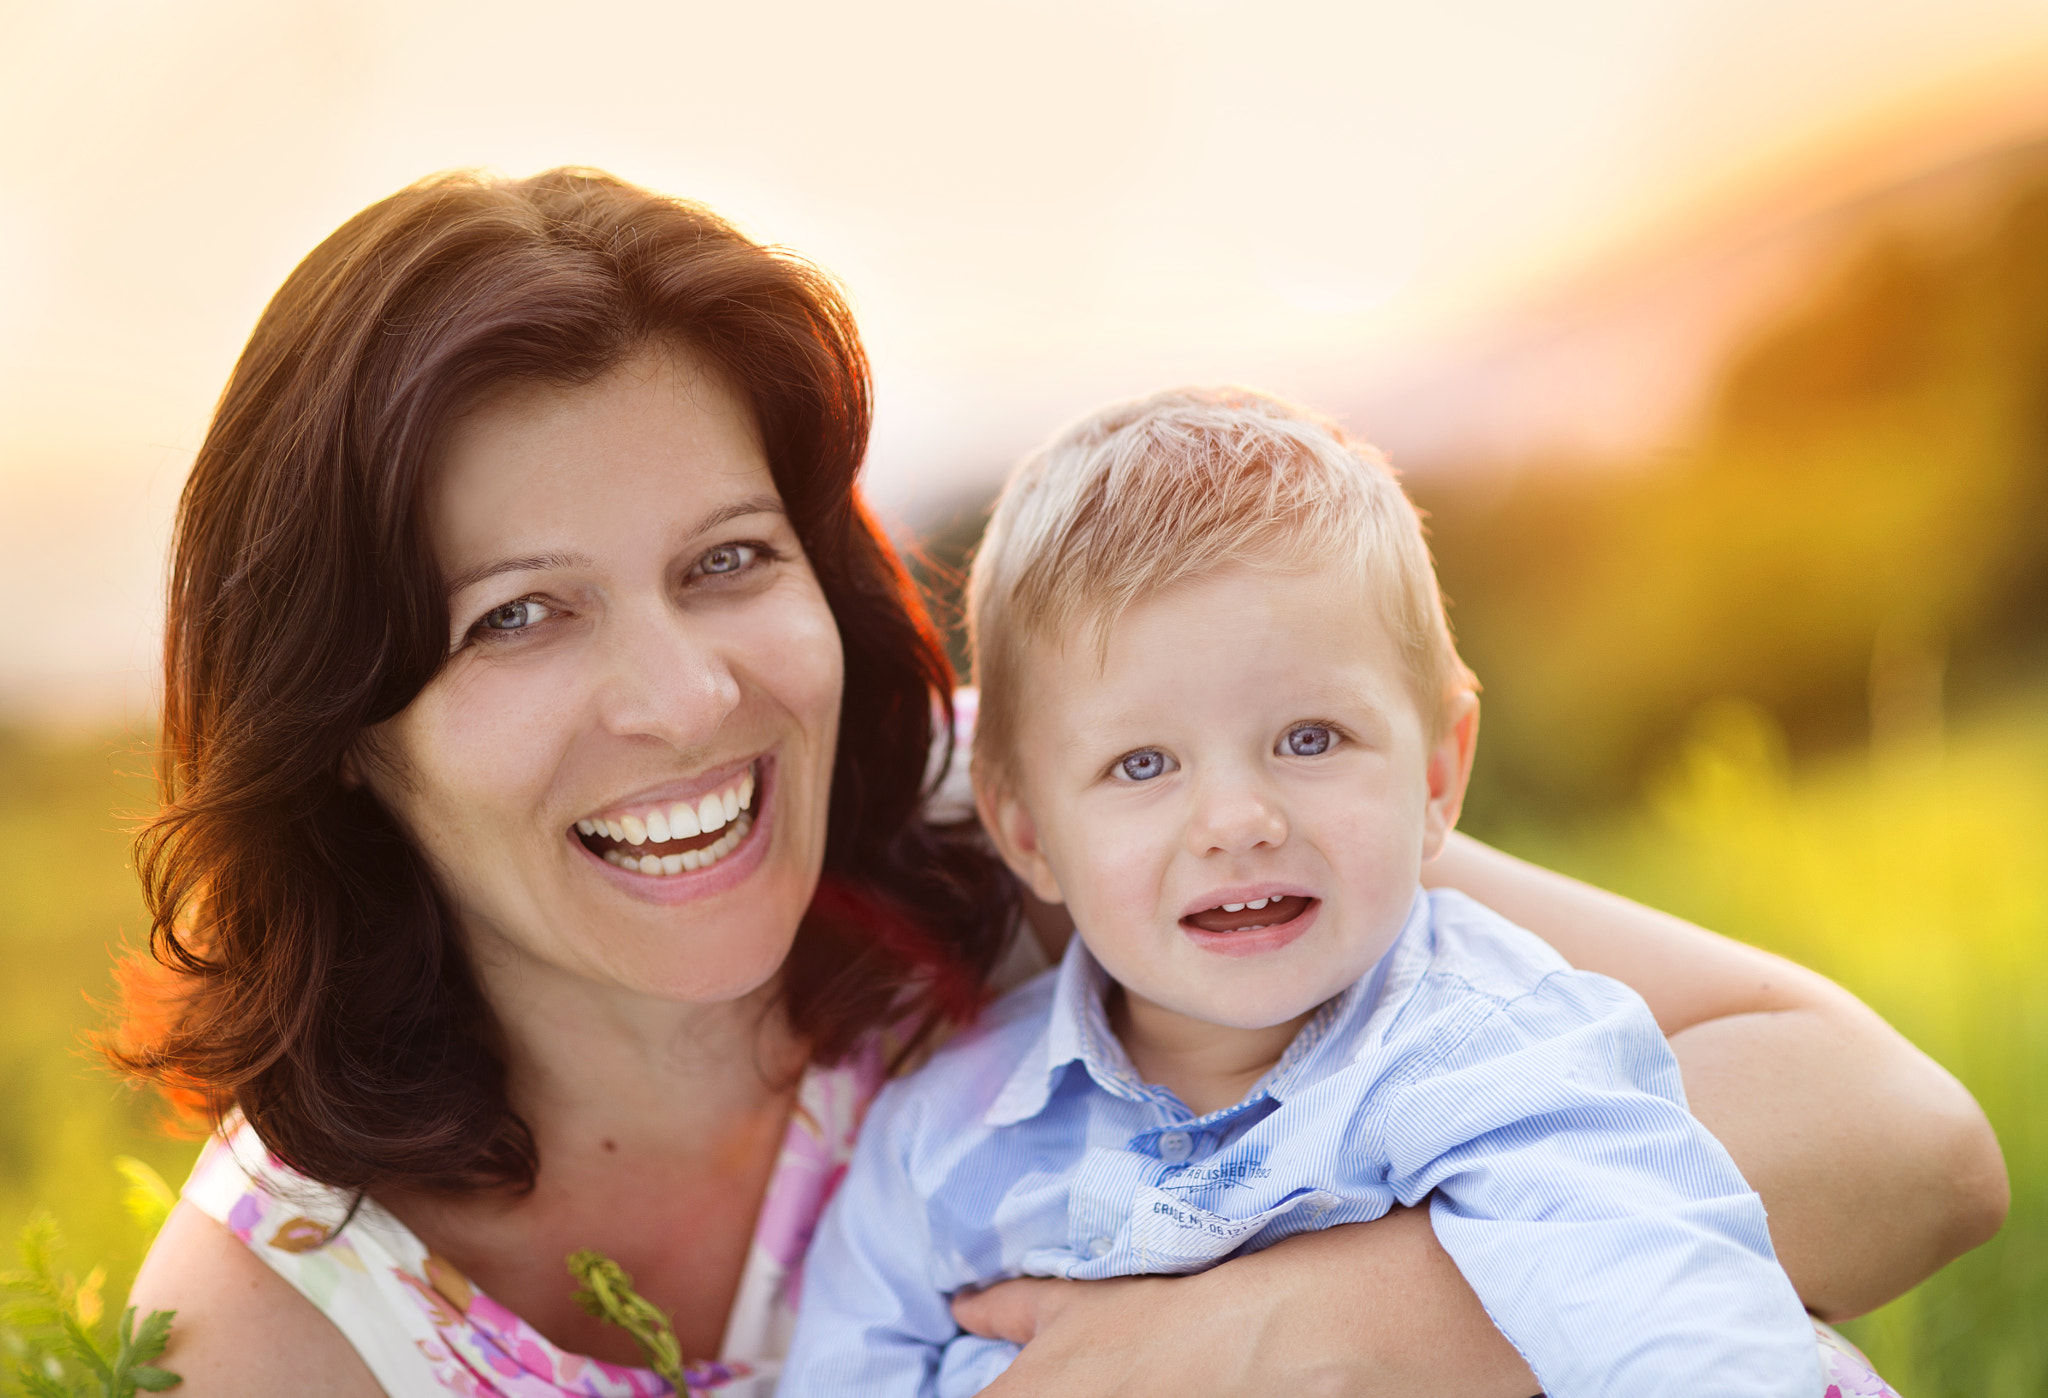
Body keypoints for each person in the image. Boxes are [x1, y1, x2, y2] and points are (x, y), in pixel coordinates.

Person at [116, 169, 2003, 1398]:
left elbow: (1900, 1141)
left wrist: (1267, 1339)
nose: (684, 696)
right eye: (519, 616)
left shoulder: (1034, 818)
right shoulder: (286, 1321)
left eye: (727, 560)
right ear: (349, 721)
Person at [779, 388, 1880, 1396]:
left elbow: (1664, 1307)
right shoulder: (940, 1138)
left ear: (1438, 773)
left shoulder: (1489, 1048)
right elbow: (845, 1371)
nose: (1236, 821)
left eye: (1309, 738)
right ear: (1024, 829)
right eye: (1142, 765)